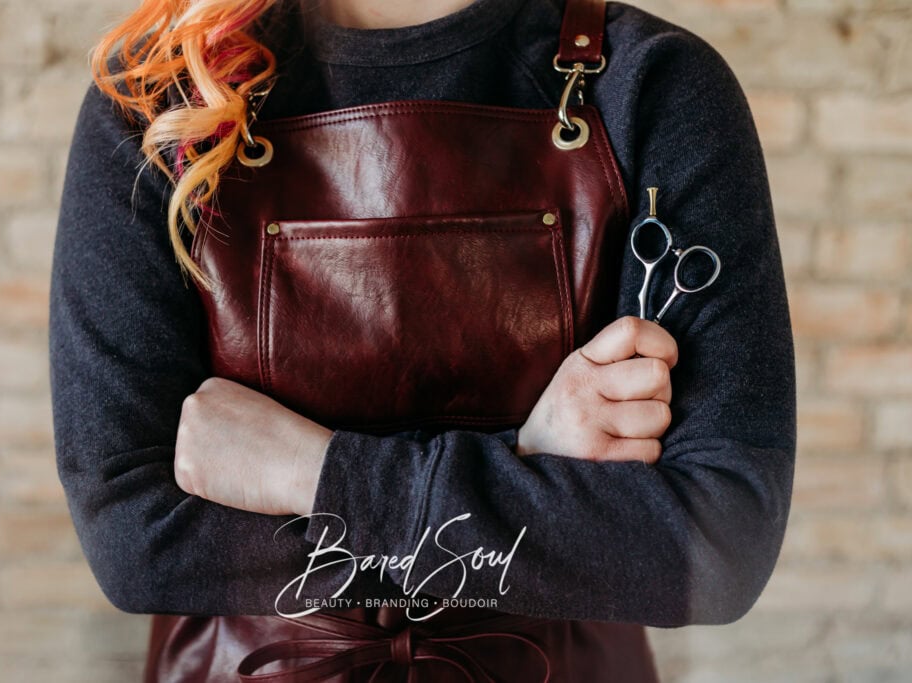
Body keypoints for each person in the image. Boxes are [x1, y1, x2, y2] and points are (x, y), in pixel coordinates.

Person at [49, 0, 796, 679]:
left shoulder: (654, 85)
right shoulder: (161, 94)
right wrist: (527, 466)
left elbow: (718, 544)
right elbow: (135, 541)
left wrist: (312, 472)